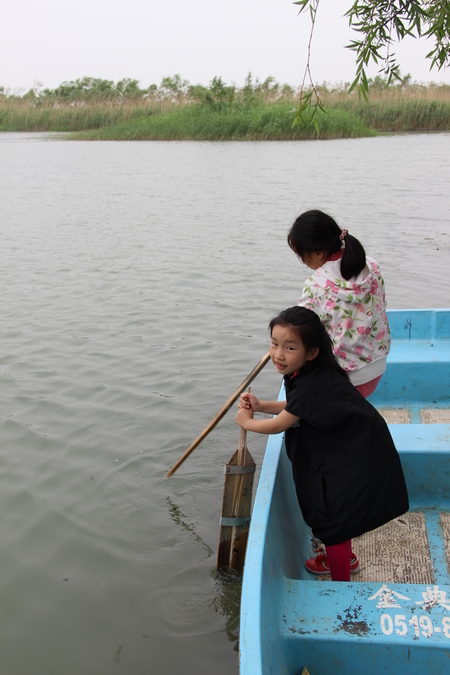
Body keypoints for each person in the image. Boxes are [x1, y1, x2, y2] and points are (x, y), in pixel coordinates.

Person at [235, 306, 409, 581]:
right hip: (351, 446)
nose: (278, 355)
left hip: (358, 452)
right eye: (274, 344)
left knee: (334, 520)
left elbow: (279, 424)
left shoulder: (313, 382)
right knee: (338, 512)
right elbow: (297, 407)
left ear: (312, 352)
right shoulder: (307, 373)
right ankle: (341, 557)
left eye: (289, 348)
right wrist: (262, 404)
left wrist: (246, 421)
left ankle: (341, 582)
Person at [287, 209, 391, 399]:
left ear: (318, 252)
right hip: (378, 363)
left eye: (302, 256)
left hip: (351, 377)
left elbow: (301, 331)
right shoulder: (372, 266)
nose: (303, 262)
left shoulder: (315, 285)